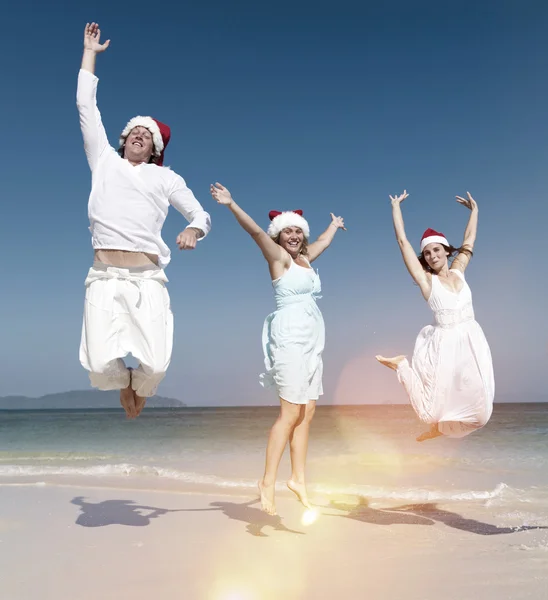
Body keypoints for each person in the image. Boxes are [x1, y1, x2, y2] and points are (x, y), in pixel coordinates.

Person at [77, 23, 211, 419]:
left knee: (157, 364)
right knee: (99, 364)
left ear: (155, 148)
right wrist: (90, 54)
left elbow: (200, 213)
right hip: (103, 277)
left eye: (147, 134)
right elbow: (87, 107)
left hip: (147, 280)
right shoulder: (103, 161)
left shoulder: (165, 177)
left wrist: (193, 229)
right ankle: (123, 384)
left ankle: (141, 386)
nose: (139, 135)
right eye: (134, 131)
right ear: (123, 140)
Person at [210, 182, 345, 515]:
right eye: (288, 231)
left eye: (299, 231)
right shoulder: (279, 258)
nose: (295, 235)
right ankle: (267, 482)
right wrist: (231, 204)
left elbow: (324, 242)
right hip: (289, 338)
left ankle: (298, 478)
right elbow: (256, 232)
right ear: (280, 236)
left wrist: (334, 226)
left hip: (312, 341)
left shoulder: (307, 258)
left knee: (307, 413)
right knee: (289, 414)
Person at [376, 191, 494, 441]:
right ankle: (402, 366)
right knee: (429, 412)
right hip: (444, 347)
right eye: (427, 253)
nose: (432, 256)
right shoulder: (426, 282)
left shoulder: (460, 270)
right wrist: (395, 207)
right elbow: (403, 243)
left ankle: (439, 429)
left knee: (481, 415)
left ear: (446, 250)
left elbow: (470, 240)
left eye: (437, 250)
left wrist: (475, 210)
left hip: (472, 342)